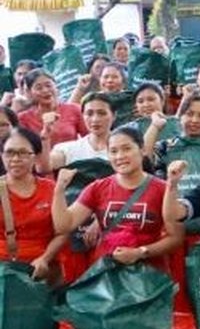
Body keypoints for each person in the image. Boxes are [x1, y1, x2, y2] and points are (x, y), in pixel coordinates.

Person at [53, 128, 181, 269]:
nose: (120, 156)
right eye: (113, 151)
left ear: (142, 150)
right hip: (107, 274)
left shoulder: (163, 189)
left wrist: (140, 252)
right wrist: (59, 190)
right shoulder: (97, 188)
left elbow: (176, 238)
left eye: (126, 149)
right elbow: (64, 225)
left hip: (149, 275)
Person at [1, 128, 65, 282]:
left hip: (41, 271)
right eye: (9, 153)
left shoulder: (51, 189)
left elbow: (63, 231)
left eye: (23, 153)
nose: (15, 159)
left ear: (36, 156)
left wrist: (45, 258)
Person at [17, 69, 87, 147]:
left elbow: (89, 138)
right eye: (39, 88)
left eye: (48, 85)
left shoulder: (74, 109)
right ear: (30, 92)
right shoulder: (23, 118)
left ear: (56, 87)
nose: (45, 90)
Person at [46, 94, 114, 170]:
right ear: (83, 116)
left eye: (102, 113)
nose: (95, 119)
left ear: (114, 115)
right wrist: (45, 138)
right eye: (89, 114)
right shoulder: (67, 149)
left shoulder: (123, 148)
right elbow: (44, 168)